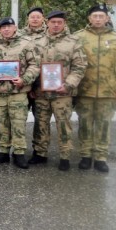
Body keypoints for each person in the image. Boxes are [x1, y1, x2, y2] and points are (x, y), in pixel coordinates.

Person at [30, 10, 87, 170]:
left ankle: (65, 156)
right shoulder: (38, 41)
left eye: (59, 22)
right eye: (53, 22)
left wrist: (68, 84)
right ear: (47, 22)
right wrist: (32, 86)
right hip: (41, 92)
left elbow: (80, 66)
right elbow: (32, 66)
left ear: (64, 23)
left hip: (63, 93)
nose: (56, 25)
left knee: (63, 125)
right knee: (40, 124)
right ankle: (40, 153)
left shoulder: (73, 42)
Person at [74, 4, 116, 173]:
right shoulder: (78, 37)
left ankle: (101, 157)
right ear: (89, 18)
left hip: (108, 90)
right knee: (85, 124)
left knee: (104, 125)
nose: (97, 19)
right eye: (94, 16)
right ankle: (85, 156)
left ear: (107, 19)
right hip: (85, 90)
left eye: (101, 16)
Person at [0, 17, 40, 169]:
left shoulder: (26, 44)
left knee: (18, 123)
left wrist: (25, 79)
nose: (6, 29)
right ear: (0, 29)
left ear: (15, 28)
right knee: (2, 123)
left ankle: (19, 153)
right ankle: (3, 151)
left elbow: (35, 65)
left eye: (9, 26)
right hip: (0, 91)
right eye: (3, 27)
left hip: (18, 91)